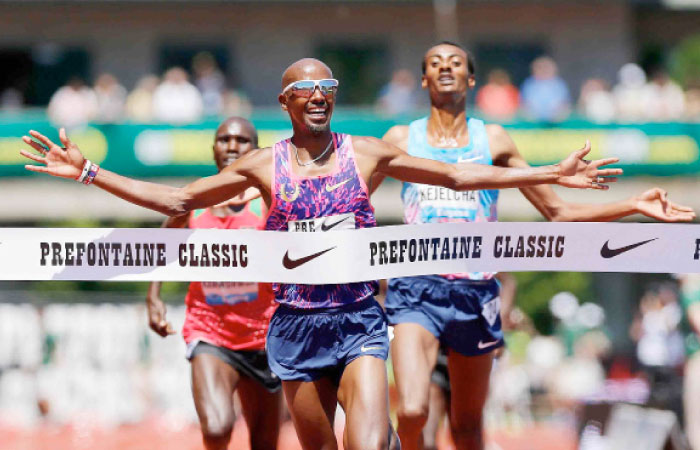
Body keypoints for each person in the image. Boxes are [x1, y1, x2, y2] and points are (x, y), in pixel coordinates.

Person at [22, 57, 623, 450]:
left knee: (366, 444)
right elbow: (176, 197)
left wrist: (550, 172)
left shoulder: (366, 154)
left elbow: (458, 178)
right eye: (306, 89)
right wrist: (90, 172)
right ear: (285, 102)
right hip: (296, 328)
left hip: (359, 321)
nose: (318, 96)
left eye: (328, 88)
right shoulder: (263, 164)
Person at [379, 42, 695, 450]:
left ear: (470, 79)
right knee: (410, 411)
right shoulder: (401, 137)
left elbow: (558, 211)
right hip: (416, 288)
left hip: (475, 292)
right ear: (423, 79)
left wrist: (632, 204)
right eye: (435, 63)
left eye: (455, 63)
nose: (445, 68)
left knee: (467, 427)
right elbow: (354, 200)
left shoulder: (492, 139)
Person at [145, 117, 281, 450]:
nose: (232, 146)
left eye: (242, 140)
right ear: (213, 149)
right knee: (218, 427)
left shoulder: (270, 199)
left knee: (264, 444)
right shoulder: (194, 198)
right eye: (224, 139)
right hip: (211, 329)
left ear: (257, 149)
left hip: (267, 335)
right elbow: (162, 244)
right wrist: (154, 295)